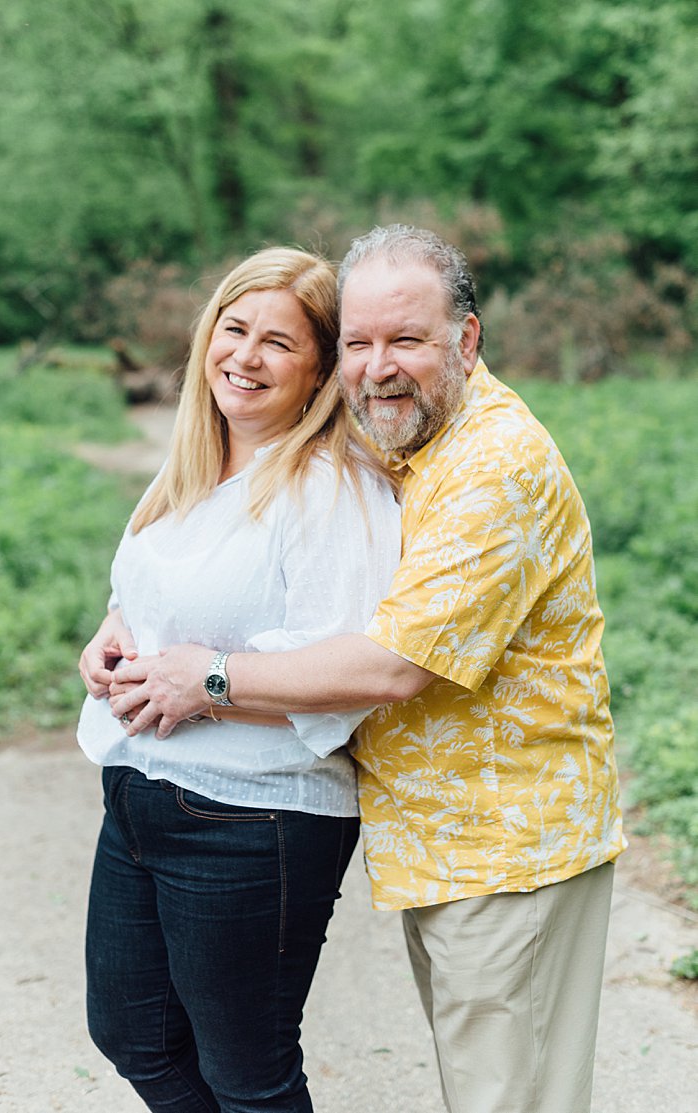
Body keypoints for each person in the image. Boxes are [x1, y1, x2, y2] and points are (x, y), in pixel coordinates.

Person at [109, 225, 625, 1113]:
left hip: (511, 841)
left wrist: (211, 679)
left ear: (465, 339)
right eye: (359, 342)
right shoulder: (409, 430)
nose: (379, 366)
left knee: (512, 1097)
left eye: (408, 340)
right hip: (441, 835)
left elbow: (393, 665)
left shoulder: (492, 465)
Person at [77, 247, 401, 1111]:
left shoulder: (335, 488)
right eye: (234, 330)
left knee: (247, 1073)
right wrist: (111, 640)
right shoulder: (192, 465)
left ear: (322, 369)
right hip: (140, 791)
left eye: (278, 343)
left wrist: (207, 684)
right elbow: (143, 594)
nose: (246, 357)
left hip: (256, 817)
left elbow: (355, 672)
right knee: (133, 1033)